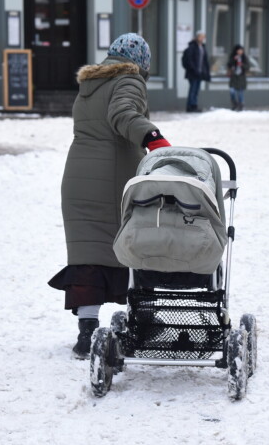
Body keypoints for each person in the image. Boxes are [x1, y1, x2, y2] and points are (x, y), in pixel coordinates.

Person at [48, 33, 171, 359]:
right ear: (141, 62)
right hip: (112, 181)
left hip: (78, 180)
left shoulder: (91, 84)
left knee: (89, 257)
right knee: (133, 248)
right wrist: (153, 138)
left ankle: (86, 335)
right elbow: (122, 115)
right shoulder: (129, 79)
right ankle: (144, 323)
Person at [182, 31, 211, 112]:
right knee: (193, 90)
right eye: (201, 37)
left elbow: (205, 61)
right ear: (197, 37)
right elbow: (189, 60)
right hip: (193, 73)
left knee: (196, 90)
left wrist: (206, 72)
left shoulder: (203, 47)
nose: (202, 38)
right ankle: (190, 107)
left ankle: (194, 105)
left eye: (203, 37)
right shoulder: (192, 47)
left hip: (200, 73)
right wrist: (193, 69)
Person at [226, 44, 249, 111]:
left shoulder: (244, 58)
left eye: (241, 50)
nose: (240, 52)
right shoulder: (233, 57)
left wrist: (242, 65)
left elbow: (247, 67)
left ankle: (241, 105)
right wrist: (234, 60)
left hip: (241, 77)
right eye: (239, 50)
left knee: (240, 92)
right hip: (233, 77)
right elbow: (229, 65)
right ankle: (234, 104)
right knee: (232, 91)